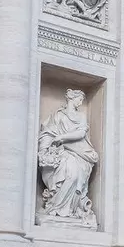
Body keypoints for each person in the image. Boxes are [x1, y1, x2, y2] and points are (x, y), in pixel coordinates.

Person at [38, 89, 99, 224]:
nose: (81, 102)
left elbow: (81, 134)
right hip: (62, 152)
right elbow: (48, 132)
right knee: (67, 173)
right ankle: (55, 208)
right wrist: (46, 148)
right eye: (80, 99)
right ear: (72, 98)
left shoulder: (81, 116)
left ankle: (71, 210)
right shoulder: (57, 115)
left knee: (76, 175)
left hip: (78, 152)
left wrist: (62, 137)